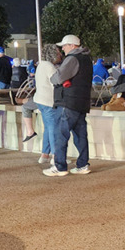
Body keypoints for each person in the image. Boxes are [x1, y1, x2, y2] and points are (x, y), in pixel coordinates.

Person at [44, 35, 93, 176]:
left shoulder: (72, 59)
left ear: (72, 45)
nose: (62, 49)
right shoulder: (86, 59)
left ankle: (60, 167)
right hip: (82, 102)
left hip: (68, 102)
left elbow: (57, 78)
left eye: (64, 46)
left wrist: (54, 77)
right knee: (81, 135)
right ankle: (83, 164)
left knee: (61, 134)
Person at [34, 43, 62, 165]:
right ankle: (56, 157)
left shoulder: (41, 65)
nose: (60, 54)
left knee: (48, 128)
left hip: (40, 101)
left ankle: (45, 155)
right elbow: (56, 84)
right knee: (53, 129)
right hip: (49, 101)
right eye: (58, 52)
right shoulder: (50, 67)